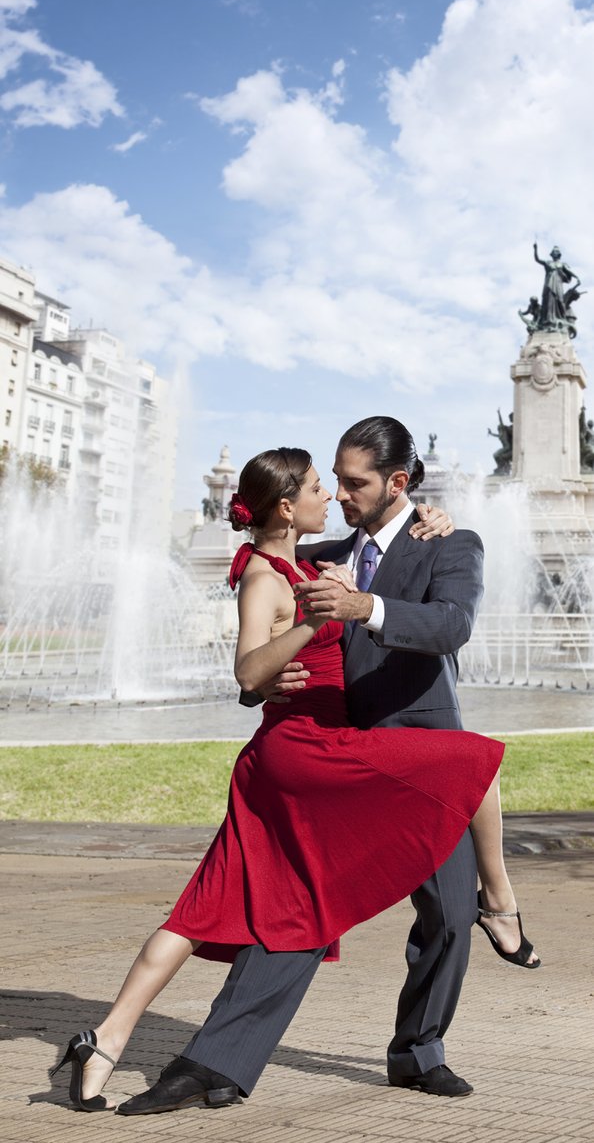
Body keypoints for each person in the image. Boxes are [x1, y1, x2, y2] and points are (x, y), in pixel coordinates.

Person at [50, 429, 538, 1115]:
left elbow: (450, 626)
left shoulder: (449, 543)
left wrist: (365, 607)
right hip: (332, 756)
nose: (339, 495)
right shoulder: (320, 554)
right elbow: (263, 602)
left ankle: (419, 1051)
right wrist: (265, 687)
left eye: (355, 483)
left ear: (398, 484)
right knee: (297, 909)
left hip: (420, 752)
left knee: (450, 914)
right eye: (331, 480)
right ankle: (214, 1061)